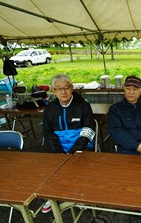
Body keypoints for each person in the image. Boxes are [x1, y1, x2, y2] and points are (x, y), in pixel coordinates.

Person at [42, 73, 96, 213]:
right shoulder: (50, 109)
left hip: (81, 148)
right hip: (58, 149)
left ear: (72, 88)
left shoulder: (84, 106)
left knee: (80, 169)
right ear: (53, 91)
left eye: (66, 87)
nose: (63, 92)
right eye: (58, 89)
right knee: (51, 170)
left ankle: (80, 195)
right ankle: (53, 197)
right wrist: (59, 152)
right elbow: (48, 133)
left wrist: (73, 151)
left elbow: (89, 129)